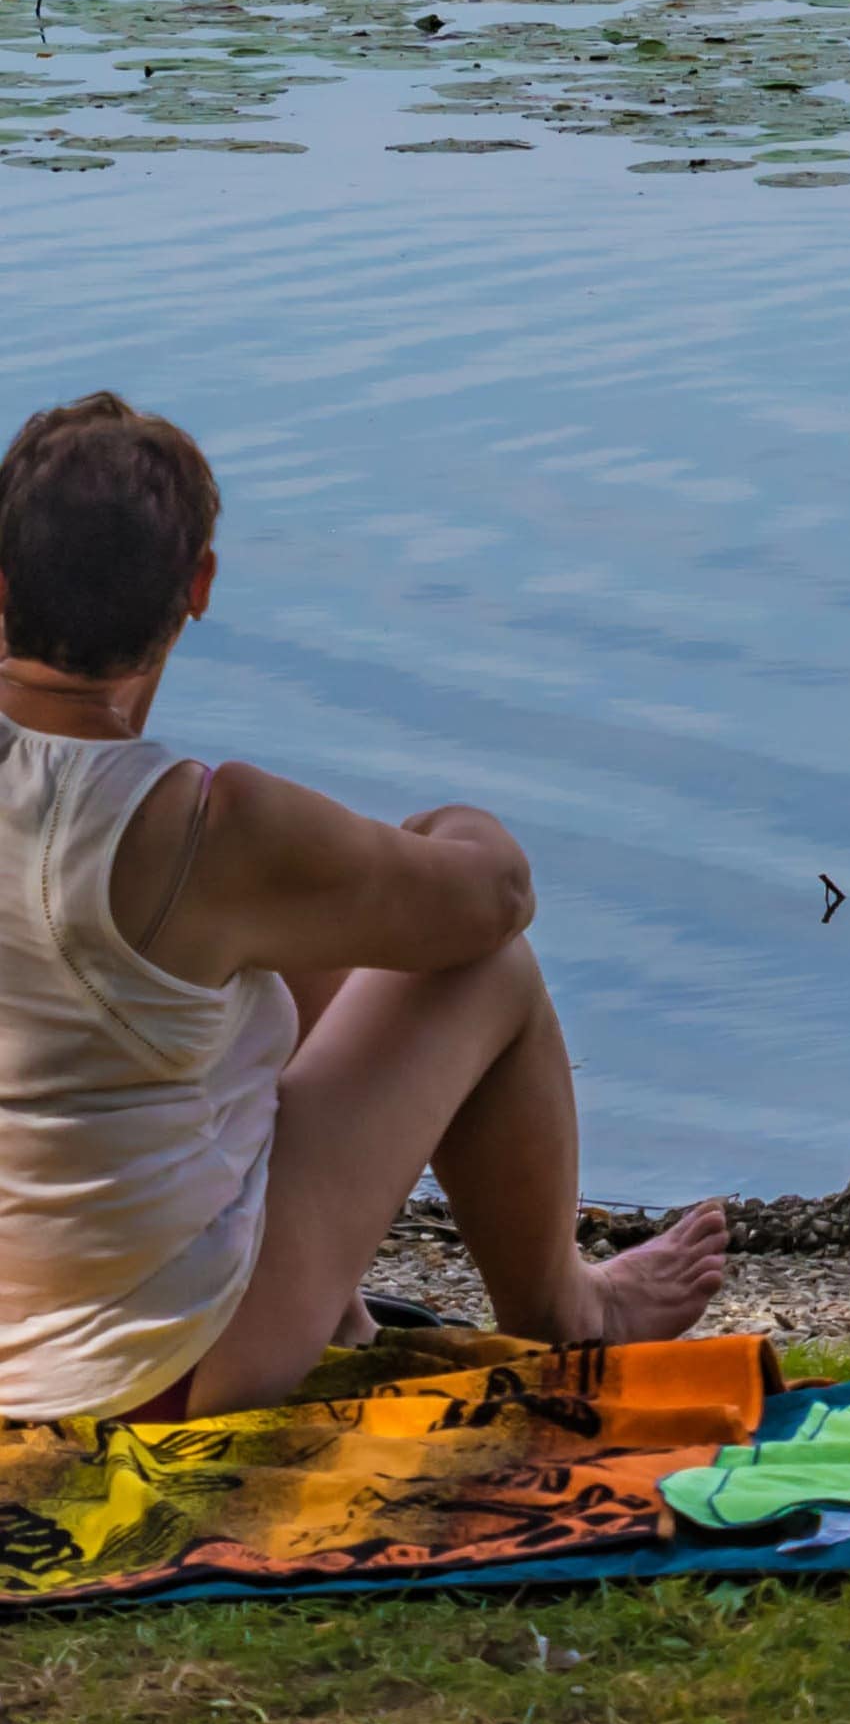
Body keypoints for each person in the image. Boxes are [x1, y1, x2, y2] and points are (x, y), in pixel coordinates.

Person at [0, 392, 729, 1423]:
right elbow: (496, 899)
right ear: (197, 585)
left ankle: (341, 1310)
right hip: (157, 1379)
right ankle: (570, 1304)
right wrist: (447, 817)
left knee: (263, 969)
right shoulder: (210, 827)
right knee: (482, 967)